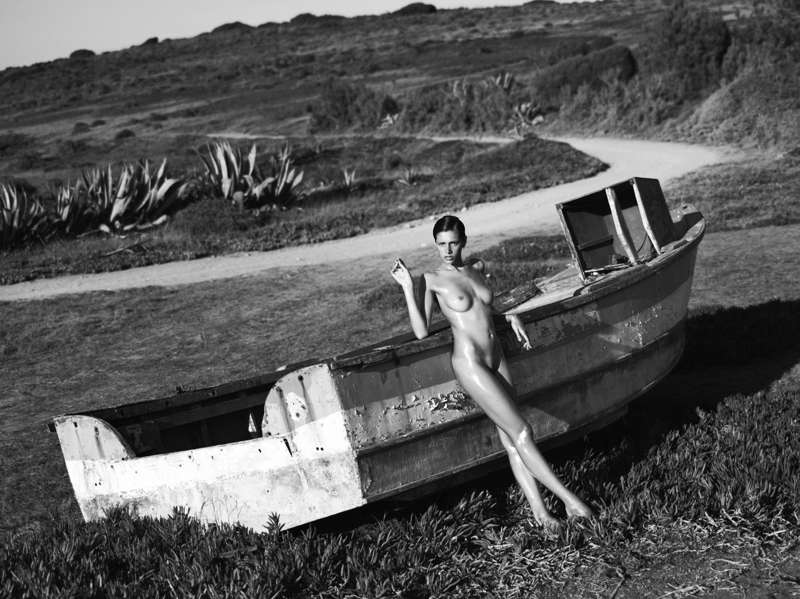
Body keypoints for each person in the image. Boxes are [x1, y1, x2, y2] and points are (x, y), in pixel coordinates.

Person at [390, 215, 593, 529]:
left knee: (512, 440)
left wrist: (509, 316)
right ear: (435, 245)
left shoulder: (477, 267)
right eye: (441, 244)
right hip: (470, 361)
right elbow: (421, 331)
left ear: (463, 241)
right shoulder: (431, 279)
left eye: (453, 243)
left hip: (496, 355)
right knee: (523, 431)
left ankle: (541, 515)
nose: (447, 250)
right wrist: (407, 286)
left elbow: (485, 308)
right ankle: (572, 503)